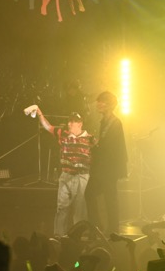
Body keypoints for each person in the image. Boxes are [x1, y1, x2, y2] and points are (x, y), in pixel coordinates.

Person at [34, 107, 93, 236]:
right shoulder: (63, 134)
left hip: (81, 177)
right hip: (66, 176)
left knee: (79, 209)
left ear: (80, 123)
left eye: (73, 121)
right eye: (69, 121)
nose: (70, 124)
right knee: (62, 207)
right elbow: (48, 127)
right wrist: (39, 113)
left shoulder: (90, 139)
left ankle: (80, 236)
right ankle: (59, 236)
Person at [85, 91, 127, 234]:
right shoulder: (105, 122)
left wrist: (95, 146)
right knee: (94, 194)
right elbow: (104, 144)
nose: (98, 104)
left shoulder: (115, 123)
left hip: (109, 168)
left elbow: (111, 148)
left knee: (109, 197)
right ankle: (98, 227)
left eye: (101, 101)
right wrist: (96, 144)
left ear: (109, 104)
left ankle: (110, 229)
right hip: (102, 168)